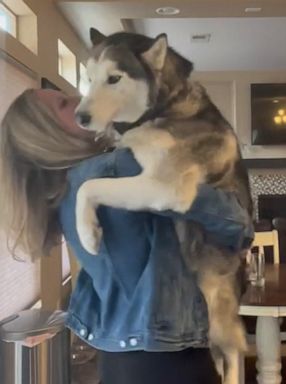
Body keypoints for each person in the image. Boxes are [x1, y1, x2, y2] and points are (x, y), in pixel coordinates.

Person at [0, 88, 253, 384]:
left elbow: (109, 281)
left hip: (117, 360)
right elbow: (236, 222)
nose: (81, 99)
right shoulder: (119, 167)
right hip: (168, 359)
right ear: (48, 134)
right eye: (65, 103)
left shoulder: (62, 193)